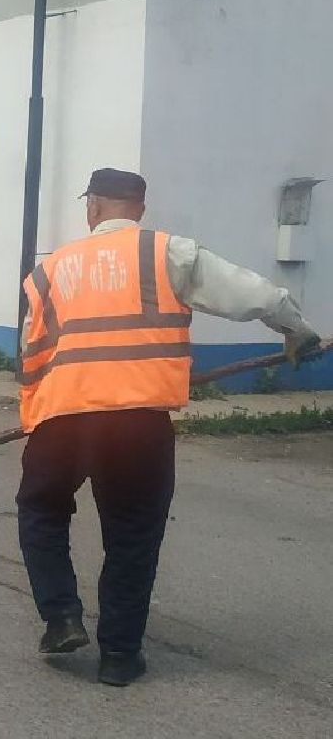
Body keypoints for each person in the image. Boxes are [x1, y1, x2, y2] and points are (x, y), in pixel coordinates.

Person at [17, 168, 321, 687]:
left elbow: (33, 352)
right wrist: (297, 329)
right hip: (139, 424)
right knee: (133, 535)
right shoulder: (167, 253)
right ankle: (118, 656)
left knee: (41, 510)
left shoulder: (52, 269)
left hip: (63, 417)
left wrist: (35, 419)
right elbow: (254, 294)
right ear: (139, 207)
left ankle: (62, 616)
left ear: (91, 207)